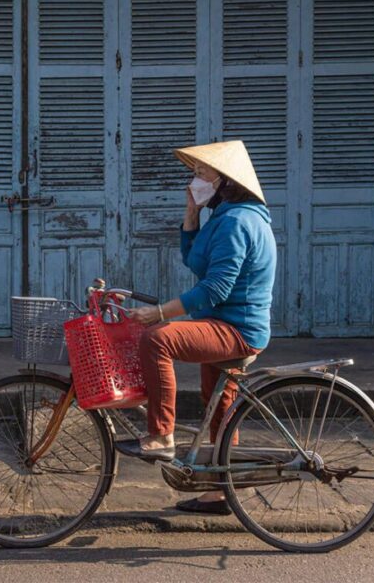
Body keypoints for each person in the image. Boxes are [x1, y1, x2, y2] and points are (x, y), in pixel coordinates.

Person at [115, 140, 276, 516]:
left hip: (237, 328)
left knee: (157, 339)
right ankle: (219, 494)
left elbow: (214, 288)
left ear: (226, 182)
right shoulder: (226, 217)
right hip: (228, 323)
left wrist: (160, 313)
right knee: (220, 406)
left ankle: (161, 434)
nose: (194, 180)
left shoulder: (238, 222)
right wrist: (192, 213)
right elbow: (195, 261)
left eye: (202, 174)